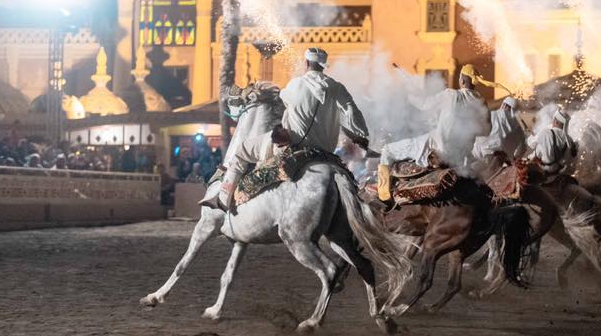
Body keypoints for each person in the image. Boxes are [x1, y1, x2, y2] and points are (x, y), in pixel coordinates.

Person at [206, 47, 370, 212]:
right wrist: (361, 136)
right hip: (326, 151)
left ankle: (223, 200)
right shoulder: (337, 88)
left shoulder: (295, 84)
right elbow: (352, 112)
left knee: (242, 150)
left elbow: (280, 101)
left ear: (306, 63)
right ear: (323, 65)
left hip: (294, 146)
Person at [378, 64, 491, 202]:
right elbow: (487, 131)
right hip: (463, 157)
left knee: (387, 150)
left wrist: (408, 91)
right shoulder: (481, 102)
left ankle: (384, 197)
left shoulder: (451, 94)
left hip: (438, 149)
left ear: (462, 80)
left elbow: (424, 104)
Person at [473, 96, 527, 162]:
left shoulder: (492, 115)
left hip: (482, 155)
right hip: (503, 160)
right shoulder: (518, 128)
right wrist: (515, 158)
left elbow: (476, 130)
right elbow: (523, 147)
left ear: (504, 105)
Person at [532, 108, 577, 177]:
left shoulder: (546, 133)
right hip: (558, 171)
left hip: (543, 170)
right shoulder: (569, 139)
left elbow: (535, 151)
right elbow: (568, 159)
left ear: (556, 122)